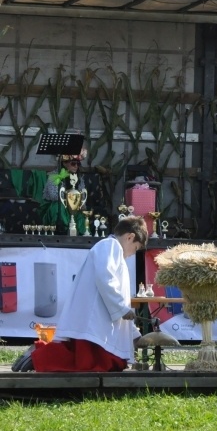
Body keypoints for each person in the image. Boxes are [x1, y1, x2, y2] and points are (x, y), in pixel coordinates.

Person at [31, 216, 148, 372]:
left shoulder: (114, 251)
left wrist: (132, 331)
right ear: (130, 237)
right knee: (95, 364)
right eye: (136, 248)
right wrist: (121, 308)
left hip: (100, 321)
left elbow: (114, 289)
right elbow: (105, 277)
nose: (133, 253)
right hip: (94, 321)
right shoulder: (110, 246)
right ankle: (38, 355)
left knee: (110, 363)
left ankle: (40, 355)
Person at [40, 147, 88, 234]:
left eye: (78, 164)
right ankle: (62, 231)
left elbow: (82, 195)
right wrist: (70, 197)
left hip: (72, 206)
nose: (76, 166)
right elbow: (53, 196)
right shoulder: (54, 176)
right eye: (73, 163)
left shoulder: (79, 178)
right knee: (59, 207)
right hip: (54, 207)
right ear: (65, 163)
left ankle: (80, 234)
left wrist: (81, 204)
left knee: (80, 210)